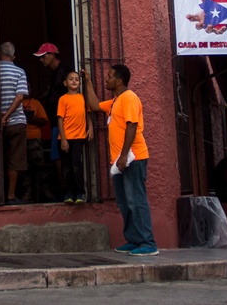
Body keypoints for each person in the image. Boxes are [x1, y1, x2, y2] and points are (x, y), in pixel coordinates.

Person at [82, 65, 159, 256]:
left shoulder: (129, 98)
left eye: (109, 77)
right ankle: (134, 240)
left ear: (119, 80)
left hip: (133, 159)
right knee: (125, 202)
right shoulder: (115, 101)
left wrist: (124, 156)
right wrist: (88, 81)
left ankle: (148, 242)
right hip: (119, 162)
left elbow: (132, 126)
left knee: (136, 201)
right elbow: (94, 105)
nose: (106, 80)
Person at [0, 41, 30, 205]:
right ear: (14, 56)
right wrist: (7, 117)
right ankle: (10, 196)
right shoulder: (19, 72)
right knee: (14, 160)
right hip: (16, 122)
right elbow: (20, 97)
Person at [34, 42, 70, 182]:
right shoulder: (56, 72)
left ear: (52, 55)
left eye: (43, 56)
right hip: (56, 121)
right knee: (57, 156)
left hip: (63, 122)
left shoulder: (63, 71)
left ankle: (65, 187)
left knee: (60, 156)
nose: (41, 60)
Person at [57, 70, 93, 204]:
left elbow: (87, 114)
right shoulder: (63, 99)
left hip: (79, 136)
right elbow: (60, 119)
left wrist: (91, 128)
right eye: (71, 79)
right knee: (66, 166)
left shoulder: (83, 98)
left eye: (77, 79)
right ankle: (68, 193)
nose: (74, 81)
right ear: (65, 83)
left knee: (76, 164)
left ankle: (80, 193)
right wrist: (64, 138)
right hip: (66, 138)